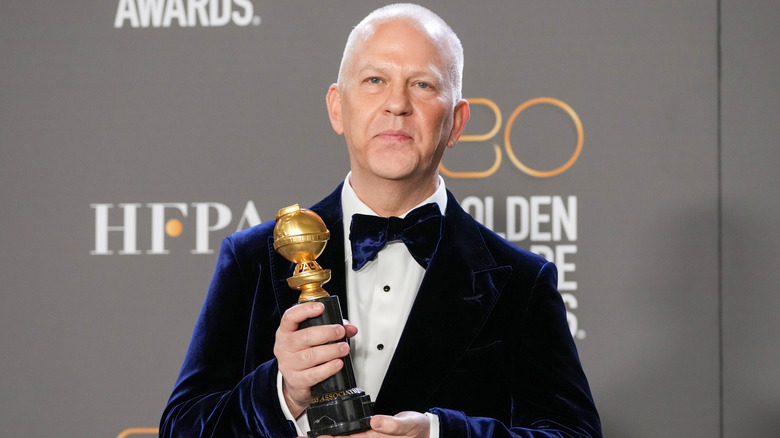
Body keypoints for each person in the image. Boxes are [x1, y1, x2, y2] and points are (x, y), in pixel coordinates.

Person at [160, 3, 601, 438]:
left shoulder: (522, 281)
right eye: (375, 80)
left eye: (423, 85)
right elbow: (181, 429)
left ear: (457, 123)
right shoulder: (255, 258)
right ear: (337, 107)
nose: (397, 104)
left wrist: (439, 435)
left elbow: (573, 434)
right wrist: (283, 393)